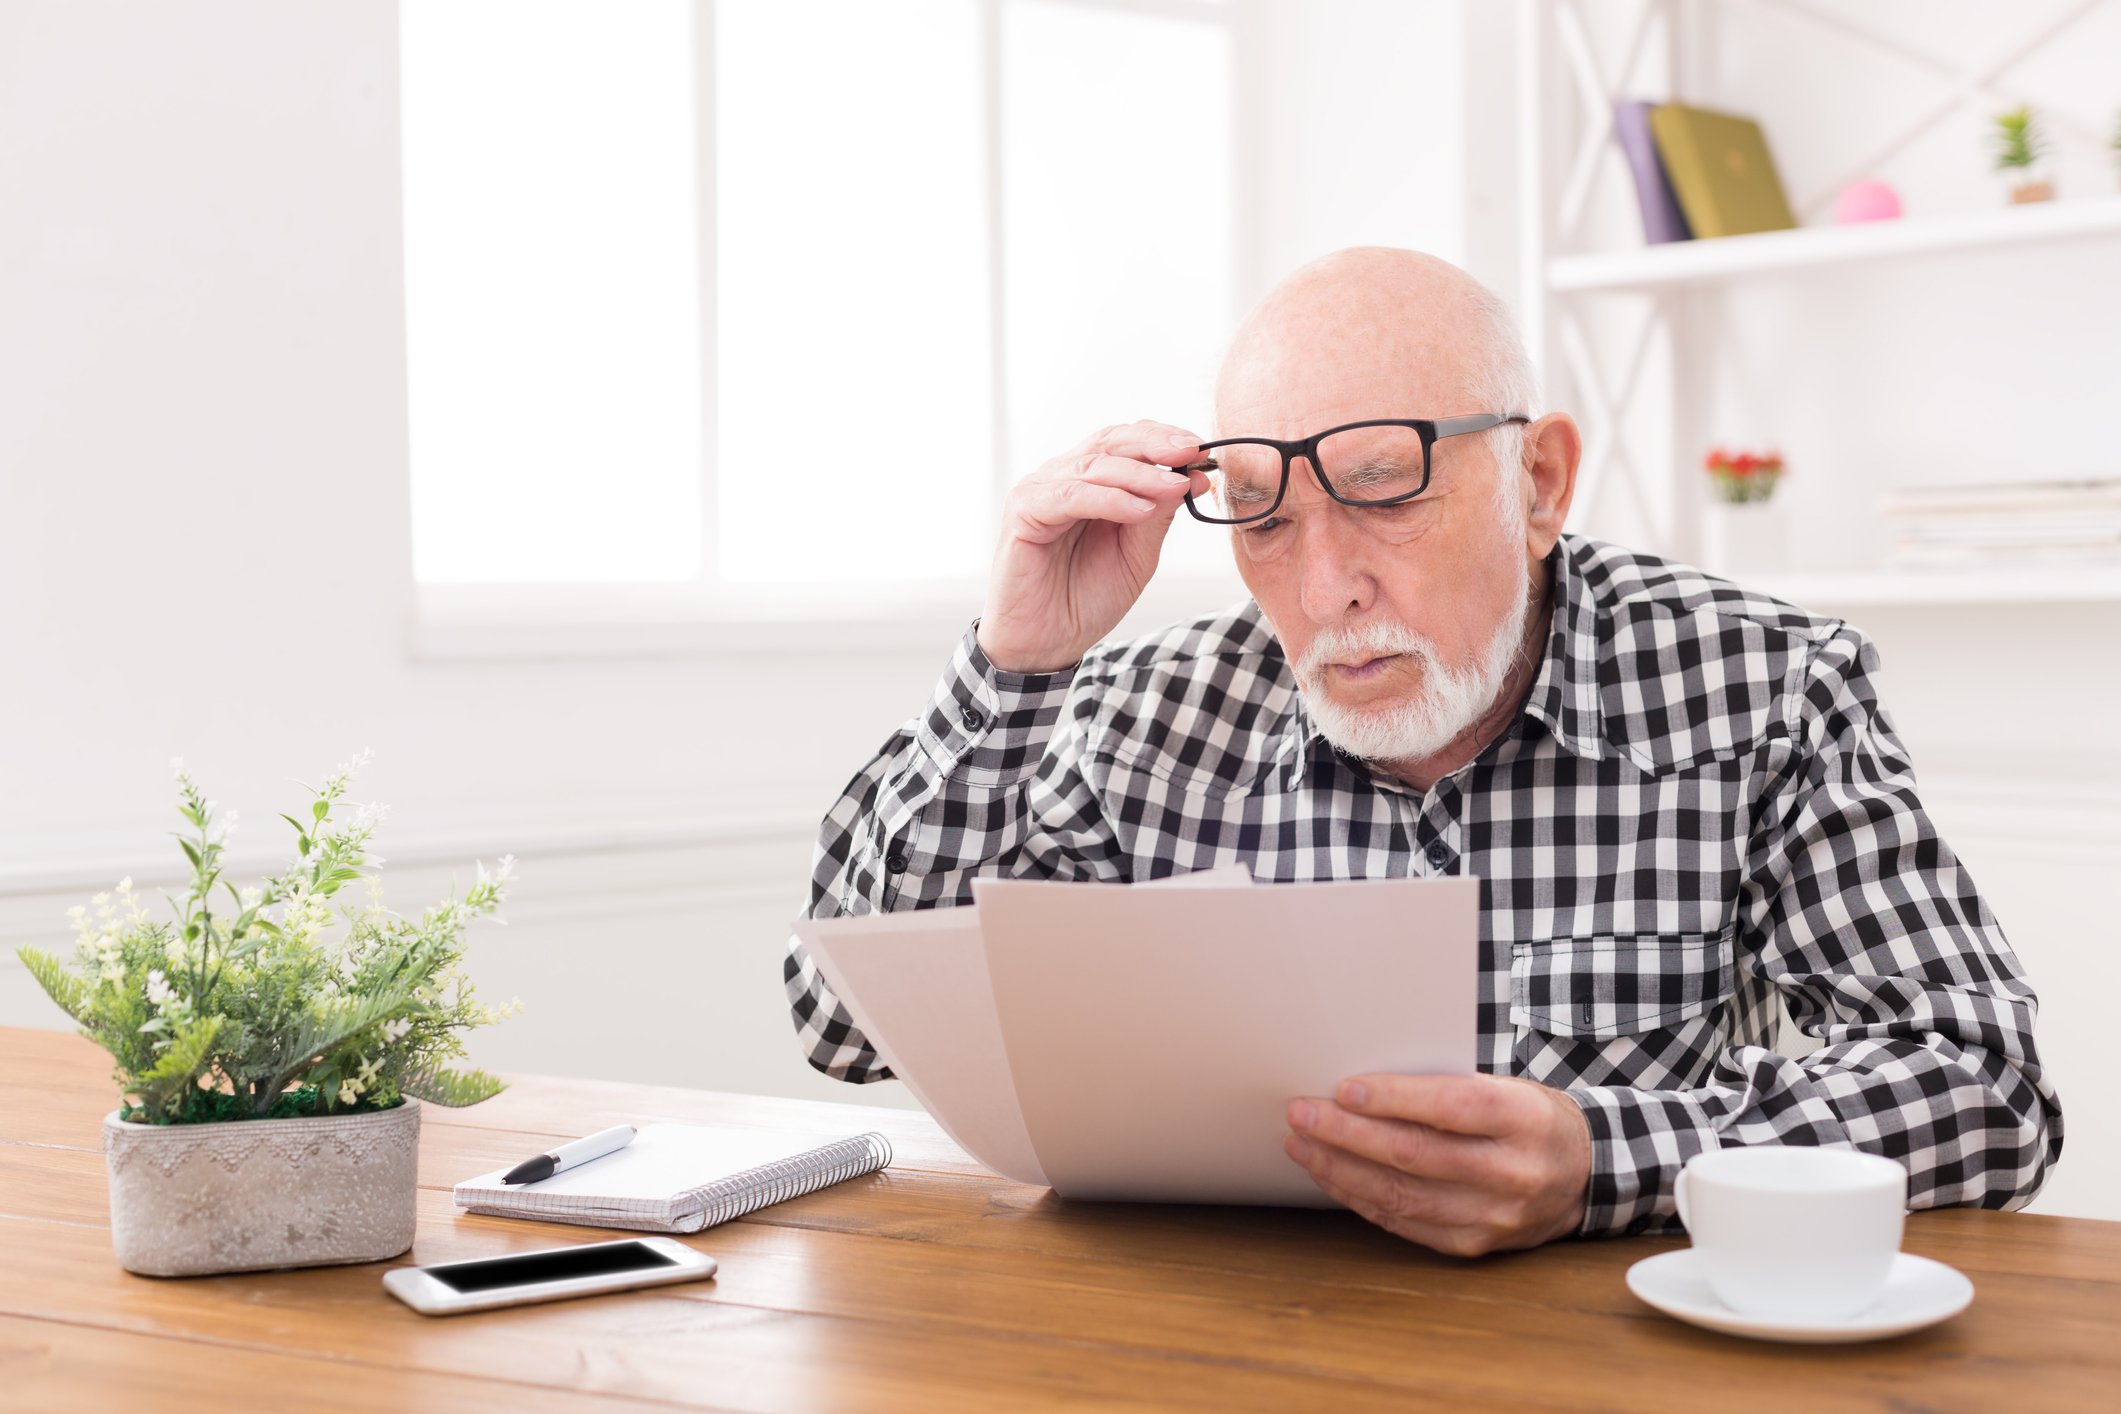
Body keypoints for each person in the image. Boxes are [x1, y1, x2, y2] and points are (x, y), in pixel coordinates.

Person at [783, 246, 2061, 1255]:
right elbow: (842, 1022)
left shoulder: (1762, 688)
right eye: (1265, 518)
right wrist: (1017, 666)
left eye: (1385, 485)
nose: (1328, 583)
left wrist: (1609, 1161)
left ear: (1541, 482)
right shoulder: (1138, 711)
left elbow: (1985, 1087)